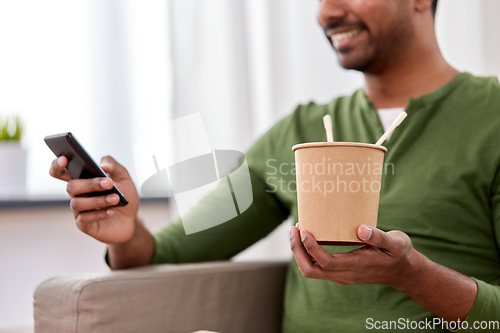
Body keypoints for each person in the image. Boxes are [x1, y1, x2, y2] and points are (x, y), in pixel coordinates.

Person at [50, 0, 500, 331]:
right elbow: (167, 252)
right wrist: (124, 231)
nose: (327, 11)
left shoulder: (490, 116)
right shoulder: (299, 131)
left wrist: (413, 275)